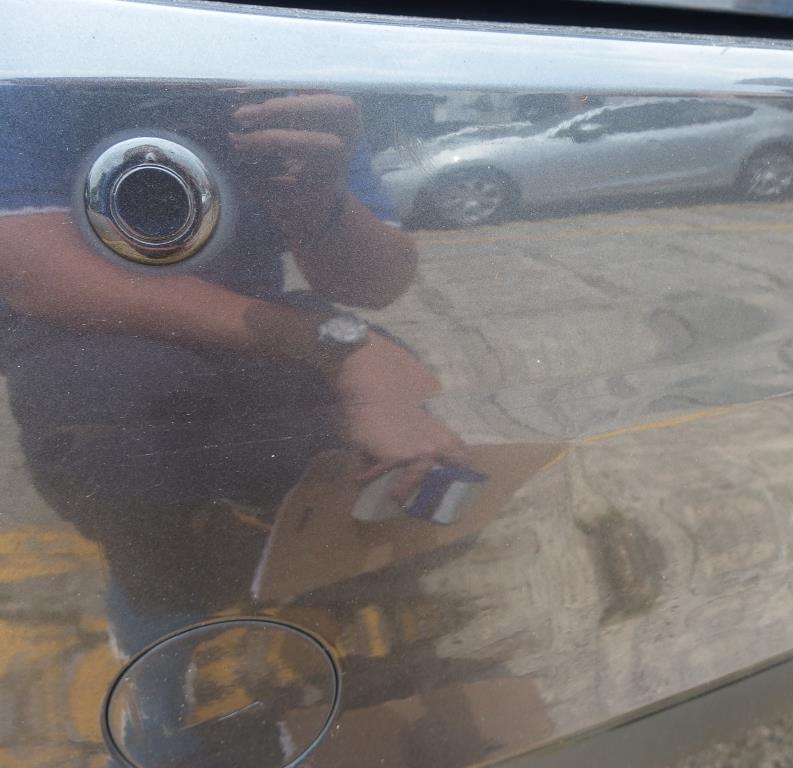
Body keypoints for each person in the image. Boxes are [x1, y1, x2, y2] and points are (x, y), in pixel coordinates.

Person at [0, 87, 470, 663]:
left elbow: (376, 283)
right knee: (117, 405)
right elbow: (38, 276)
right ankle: (162, 621)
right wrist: (338, 348)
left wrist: (319, 197)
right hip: (102, 350)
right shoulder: (40, 80)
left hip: (256, 331)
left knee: (404, 459)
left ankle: (366, 598)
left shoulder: (285, 82)